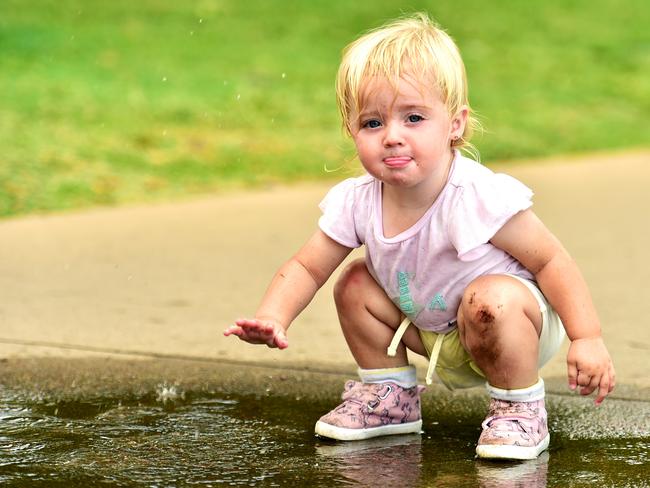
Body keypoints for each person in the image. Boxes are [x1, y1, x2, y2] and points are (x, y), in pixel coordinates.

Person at [224, 13, 615, 460]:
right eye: (373, 123)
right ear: (352, 131)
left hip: (507, 324)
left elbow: (550, 260)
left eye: (413, 117)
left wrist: (587, 337)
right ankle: (389, 398)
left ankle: (519, 406)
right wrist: (273, 316)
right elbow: (306, 267)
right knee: (354, 282)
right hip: (427, 326)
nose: (392, 136)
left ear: (455, 125)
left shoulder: (475, 195)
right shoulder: (357, 201)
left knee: (490, 297)